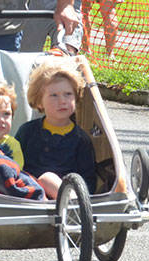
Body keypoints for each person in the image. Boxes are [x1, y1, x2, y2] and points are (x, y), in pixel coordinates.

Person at [14, 60, 94, 188]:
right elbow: (12, 165)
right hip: (28, 191)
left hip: (66, 193)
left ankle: (70, 202)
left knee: (48, 179)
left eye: (68, 94)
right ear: (39, 101)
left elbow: (88, 181)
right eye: (54, 95)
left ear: (76, 97)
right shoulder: (27, 131)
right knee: (45, 179)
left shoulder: (81, 139)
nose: (62, 101)